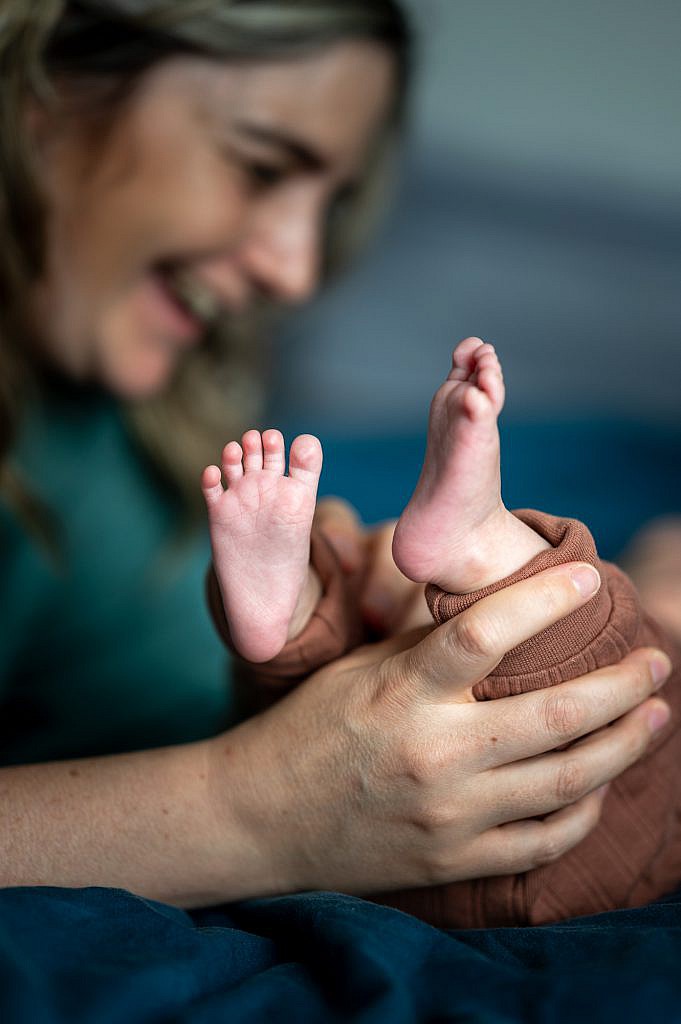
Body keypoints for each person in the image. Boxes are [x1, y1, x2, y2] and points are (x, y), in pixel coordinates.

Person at [0, 0, 671, 911]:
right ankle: (478, 554)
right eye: (263, 165)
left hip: (332, 730)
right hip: (467, 813)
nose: (295, 270)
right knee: (599, 630)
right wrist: (254, 809)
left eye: (329, 203)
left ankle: (371, 586)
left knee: (375, 591)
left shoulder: (111, 400)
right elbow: (284, 770)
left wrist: (333, 630)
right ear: (43, 95)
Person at [205, 335, 680, 926]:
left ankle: (324, 607)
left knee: (601, 630)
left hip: (543, 828)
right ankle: (303, 605)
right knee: (373, 646)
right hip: (358, 810)